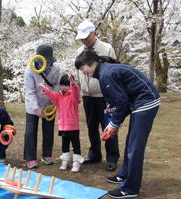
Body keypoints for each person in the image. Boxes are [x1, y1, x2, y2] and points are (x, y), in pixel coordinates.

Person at [75, 49, 160, 198]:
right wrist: (114, 123)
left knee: (135, 148)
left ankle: (130, 188)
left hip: (146, 102)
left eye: (83, 68)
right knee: (130, 143)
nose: (83, 72)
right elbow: (120, 102)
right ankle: (125, 174)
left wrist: (114, 124)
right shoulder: (104, 72)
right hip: (137, 103)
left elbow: (122, 102)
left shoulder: (106, 74)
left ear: (92, 63)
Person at [75, 19, 119, 171]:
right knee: (91, 126)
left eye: (87, 37)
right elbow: (78, 72)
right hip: (88, 95)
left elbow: (114, 70)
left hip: (104, 95)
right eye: (82, 38)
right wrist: (79, 90)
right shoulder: (79, 51)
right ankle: (94, 154)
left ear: (94, 33)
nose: (85, 40)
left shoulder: (106, 49)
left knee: (108, 126)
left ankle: (112, 157)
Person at [24, 44, 61, 168]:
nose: (44, 65)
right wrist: (36, 108)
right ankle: (30, 158)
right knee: (30, 131)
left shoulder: (56, 69)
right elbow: (29, 91)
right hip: (33, 105)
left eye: (47, 62)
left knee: (49, 130)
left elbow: (56, 85)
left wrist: (54, 101)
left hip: (49, 104)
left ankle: (47, 155)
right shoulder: (29, 70)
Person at [38, 74, 84, 172]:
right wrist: (44, 88)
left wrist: (73, 83)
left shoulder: (73, 97)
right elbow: (51, 94)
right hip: (63, 126)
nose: (63, 87)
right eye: (61, 85)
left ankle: (76, 162)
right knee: (65, 144)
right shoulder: (58, 96)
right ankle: (65, 160)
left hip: (73, 126)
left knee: (76, 144)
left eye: (66, 85)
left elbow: (76, 91)